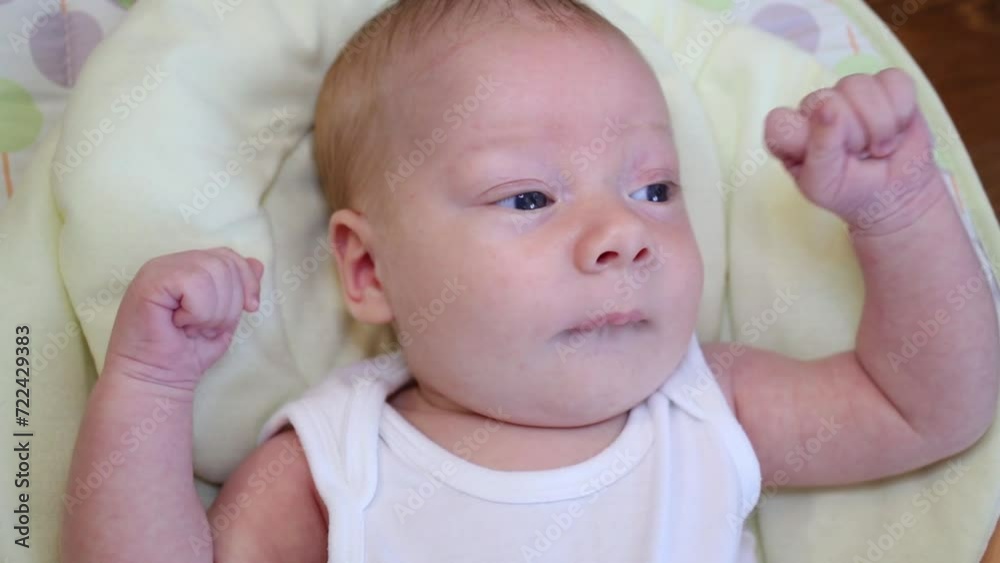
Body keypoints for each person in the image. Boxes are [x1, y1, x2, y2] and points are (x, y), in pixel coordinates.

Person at [61, 0, 999, 561]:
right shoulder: (334, 458)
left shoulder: (708, 408)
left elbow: (928, 406)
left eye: (654, 187)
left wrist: (902, 209)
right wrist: (149, 387)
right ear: (368, 267)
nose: (622, 234)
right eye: (526, 198)